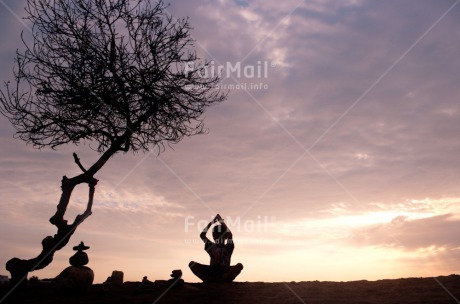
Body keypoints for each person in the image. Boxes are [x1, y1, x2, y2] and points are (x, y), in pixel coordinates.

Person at [189, 214, 243, 282]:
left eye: (219, 235)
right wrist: (211, 223)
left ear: (225, 236)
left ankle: (223, 278)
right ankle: (207, 279)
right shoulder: (211, 246)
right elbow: (202, 235)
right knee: (192, 264)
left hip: (225, 271)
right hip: (212, 271)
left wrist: (221, 222)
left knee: (239, 266)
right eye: (215, 235)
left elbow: (230, 234)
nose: (216, 237)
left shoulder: (229, 247)